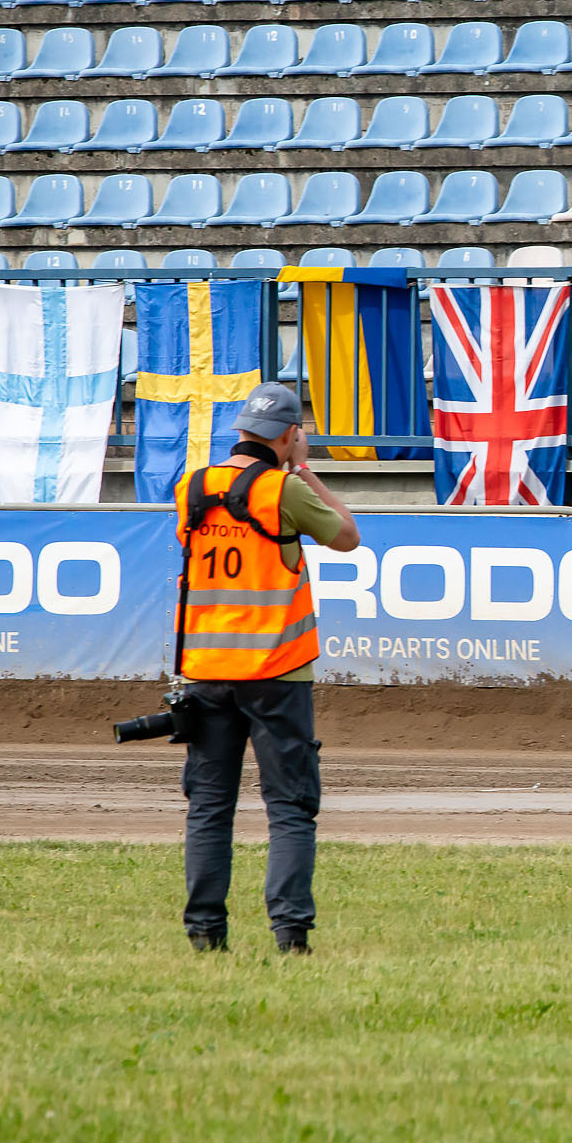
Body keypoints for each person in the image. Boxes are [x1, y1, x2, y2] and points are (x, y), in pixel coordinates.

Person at [172, 382, 361, 956]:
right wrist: (303, 470)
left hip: (205, 670)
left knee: (209, 806)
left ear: (240, 431)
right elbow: (348, 537)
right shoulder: (281, 489)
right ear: (288, 435)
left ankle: (205, 933)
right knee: (290, 807)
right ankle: (290, 934)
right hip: (277, 674)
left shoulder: (193, 486)